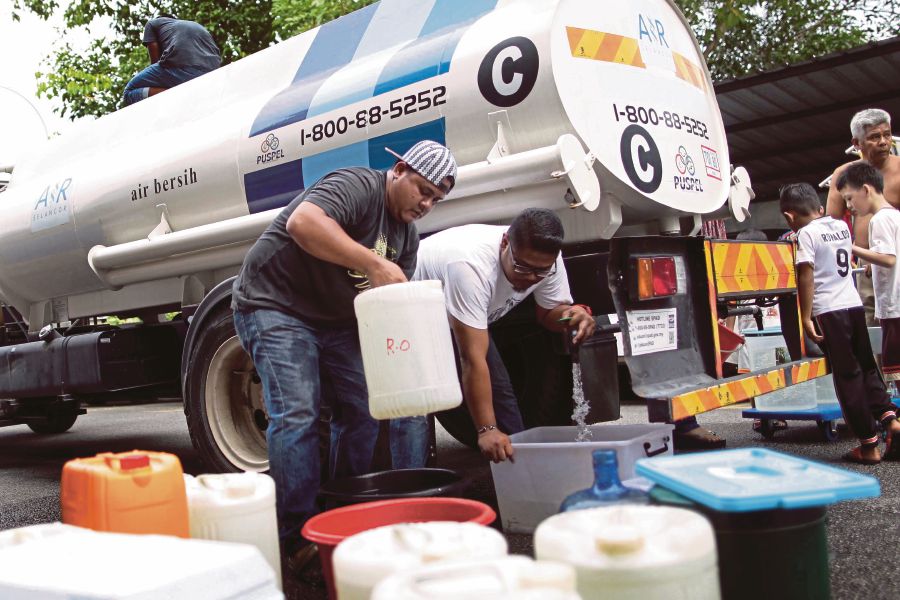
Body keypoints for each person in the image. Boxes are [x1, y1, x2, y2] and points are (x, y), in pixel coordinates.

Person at [232, 140, 457, 571]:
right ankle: (296, 537)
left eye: (436, 198)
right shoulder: (356, 185)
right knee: (297, 411)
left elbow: (388, 307)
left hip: (336, 320)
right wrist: (372, 262)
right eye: (423, 189)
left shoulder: (406, 235)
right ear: (400, 169)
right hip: (273, 303)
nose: (427, 203)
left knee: (364, 408)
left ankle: (340, 513)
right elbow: (303, 222)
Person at [390, 208, 596, 466]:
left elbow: (548, 315)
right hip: (410, 314)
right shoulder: (470, 266)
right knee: (414, 410)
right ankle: (410, 491)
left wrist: (573, 314)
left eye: (540, 272)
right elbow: (472, 359)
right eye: (523, 267)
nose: (531, 278)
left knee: (502, 395)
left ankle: (523, 475)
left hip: (456, 312)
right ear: (505, 243)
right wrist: (486, 430)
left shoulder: (548, 262)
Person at [781, 182, 900, 464]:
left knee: (847, 377)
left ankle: (869, 445)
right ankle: (890, 419)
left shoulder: (805, 235)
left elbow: (806, 275)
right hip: (853, 304)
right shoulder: (841, 226)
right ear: (820, 208)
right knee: (868, 367)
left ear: (789, 217)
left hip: (830, 311)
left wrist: (806, 316)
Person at [826, 109, 900, 325]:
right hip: (862, 266)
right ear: (856, 143)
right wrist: (852, 256)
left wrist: (882, 254)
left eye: (887, 134)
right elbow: (832, 223)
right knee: (872, 329)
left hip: (894, 260)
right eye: (874, 137)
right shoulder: (843, 174)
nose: (884, 142)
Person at [842, 162, 900, 391]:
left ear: (866, 190)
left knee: (895, 366)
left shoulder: (879, 219)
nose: (849, 205)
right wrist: (871, 264)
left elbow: (888, 258)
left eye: (849, 198)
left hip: (895, 306)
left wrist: (850, 247)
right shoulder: (894, 215)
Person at [122, 14, 221, 106]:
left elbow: (155, 63)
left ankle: (178, 96)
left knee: (129, 92)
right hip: (213, 72)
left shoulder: (153, 23)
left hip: (182, 66)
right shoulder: (195, 26)